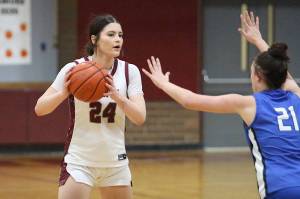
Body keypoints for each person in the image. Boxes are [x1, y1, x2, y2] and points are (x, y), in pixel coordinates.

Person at [142, 11, 300, 199]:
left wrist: (163, 84)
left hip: (279, 188)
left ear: (257, 77)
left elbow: (190, 101)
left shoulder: (249, 104)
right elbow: (280, 71)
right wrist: (258, 40)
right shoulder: (295, 95)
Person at [35, 15, 146, 199]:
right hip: (80, 161)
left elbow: (140, 117)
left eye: (120, 35)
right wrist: (65, 92)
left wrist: (119, 98)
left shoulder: (129, 71)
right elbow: (40, 108)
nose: (118, 39)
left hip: (115, 162)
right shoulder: (74, 69)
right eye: (111, 34)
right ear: (94, 39)